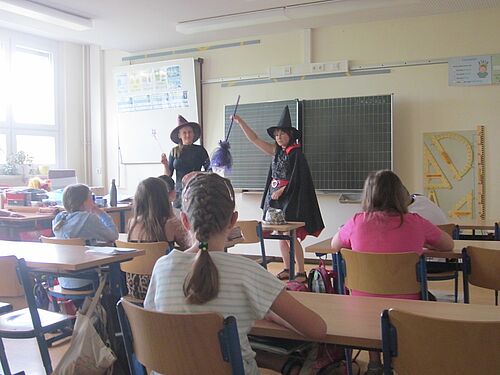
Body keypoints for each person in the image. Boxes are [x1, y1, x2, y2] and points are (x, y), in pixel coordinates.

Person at [144, 173, 326, 375]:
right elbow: (317, 329)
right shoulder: (246, 271)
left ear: (185, 221)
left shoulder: (162, 267)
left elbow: (152, 327)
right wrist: (272, 314)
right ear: (233, 220)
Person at [330, 170, 454, 375]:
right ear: (399, 194)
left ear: (368, 195)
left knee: (371, 300)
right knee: (431, 302)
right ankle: (403, 360)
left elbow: (335, 246)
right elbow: (448, 245)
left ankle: (374, 363)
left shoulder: (356, 221)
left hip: (361, 302)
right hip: (408, 304)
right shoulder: (415, 221)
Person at [233, 106, 324, 283]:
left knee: (291, 236)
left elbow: (298, 179)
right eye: (276, 135)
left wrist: (283, 190)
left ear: (290, 135)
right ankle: (287, 267)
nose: (278, 137)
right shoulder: (276, 152)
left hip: (290, 200)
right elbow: (255, 139)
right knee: (281, 237)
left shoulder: (297, 154)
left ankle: (300, 271)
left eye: (282, 134)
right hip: (275, 200)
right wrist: (241, 122)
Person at [126, 177, 191, 299]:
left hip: (135, 288)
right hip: (162, 287)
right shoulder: (170, 224)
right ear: (163, 199)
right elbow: (192, 246)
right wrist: (206, 245)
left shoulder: (132, 223)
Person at [53, 183, 119, 289]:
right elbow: (113, 235)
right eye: (91, 198)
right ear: (84, 202)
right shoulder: (88, 219)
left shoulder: (59, 219)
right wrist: (101, 213)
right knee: (117, 264)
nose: (93, 201)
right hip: (86, 279)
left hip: (64, 280)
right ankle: (117, 301)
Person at [161, 115, 210, 208]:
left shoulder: (200, 150)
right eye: (184, 132)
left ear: (193, 134)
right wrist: (165, 165)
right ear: (179, 135)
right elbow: (168, 176)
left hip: (196, 192)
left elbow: (210, 171)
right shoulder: (174, 151)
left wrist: (197, 174)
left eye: (189, 132)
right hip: (179, 194)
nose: (187, 135)